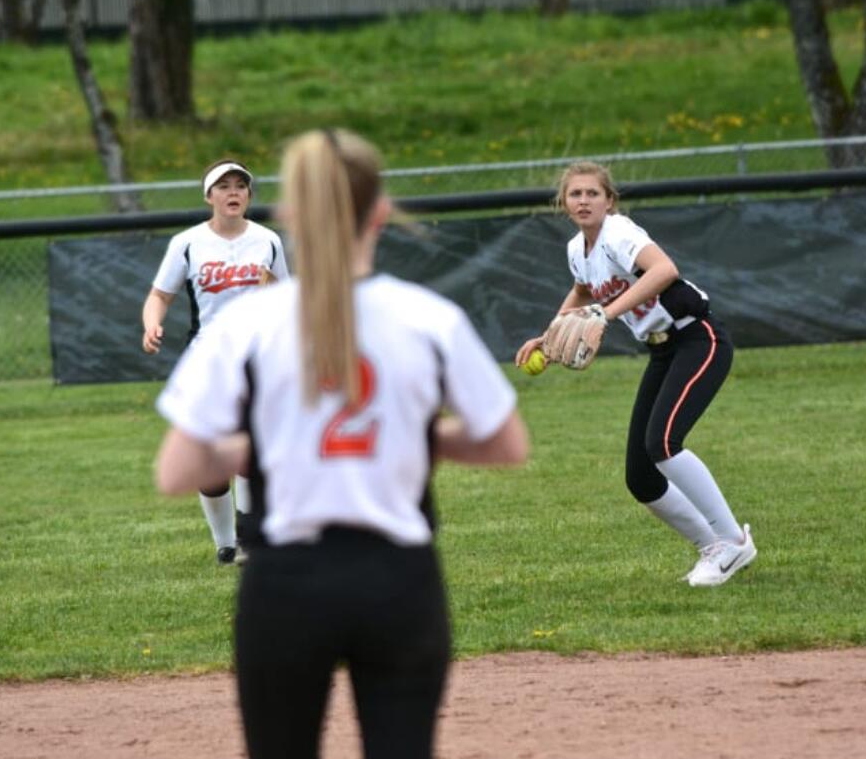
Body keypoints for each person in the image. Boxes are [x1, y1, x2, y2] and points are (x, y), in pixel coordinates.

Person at [153, 128, 529, 759]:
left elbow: (178, 468)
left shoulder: (244, 324)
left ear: (291, 218)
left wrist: (270, 443)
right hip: (399, 579)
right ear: (380, 213)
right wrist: (411, 435)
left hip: (287, 581)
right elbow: (506, 443)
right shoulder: (428, 317)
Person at [514, 160, 755, 588]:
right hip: (661, 352)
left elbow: (665, 271)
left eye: (593, 193)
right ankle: (713, 549)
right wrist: (550, 339)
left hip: (698, 338)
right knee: (641, 477)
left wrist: (604, 316)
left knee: (663, 442)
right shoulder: (578, 249)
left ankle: (734, 540)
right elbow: (583, 291)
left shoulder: (618, 233)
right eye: (575, 194)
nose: (584, 200)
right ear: (563, 203)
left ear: (610, 200)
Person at [141, 158, 290, 565]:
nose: (234, 192)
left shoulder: (267, 241)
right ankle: (226, 543)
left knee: (246, 446)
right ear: (209, 196)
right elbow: (159, 295)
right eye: (223, 186)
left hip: (255, 358)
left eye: (240, 186)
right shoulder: (188, 243)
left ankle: (248, 538)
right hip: (206, 360)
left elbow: (284, 296)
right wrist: (152, 325)